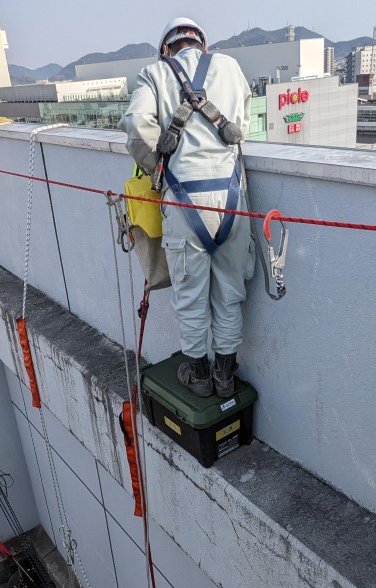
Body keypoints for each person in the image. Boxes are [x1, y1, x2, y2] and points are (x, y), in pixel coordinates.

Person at [119, 17, 253, 398]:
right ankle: (226, 376)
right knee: (229, 291)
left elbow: (136, 125)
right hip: (232, 200)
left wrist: (157, 168)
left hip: (184, 199)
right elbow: (240, 124)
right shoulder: (229, 67)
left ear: (166, 48)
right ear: (201, 45)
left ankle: (199, 376)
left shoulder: (155, 73)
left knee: (190, 295)